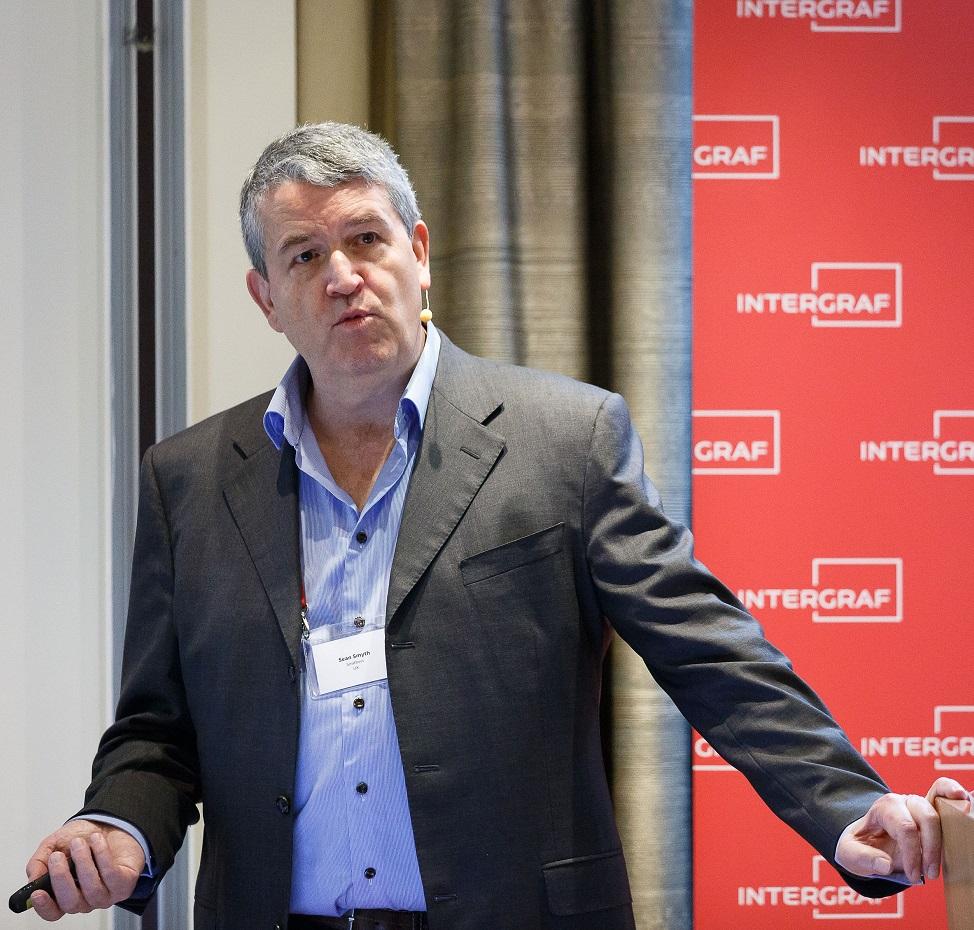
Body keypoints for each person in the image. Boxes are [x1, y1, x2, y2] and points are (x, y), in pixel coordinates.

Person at [25, 123, 971, 929]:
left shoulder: (566, 438)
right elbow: (156, 729)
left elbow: (710, 651)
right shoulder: (189, 480)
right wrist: (117, 825)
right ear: (265, 297)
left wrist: (842, 803)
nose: (344, 276)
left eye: (367, 239)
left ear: (419, 252)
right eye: (304, 256)